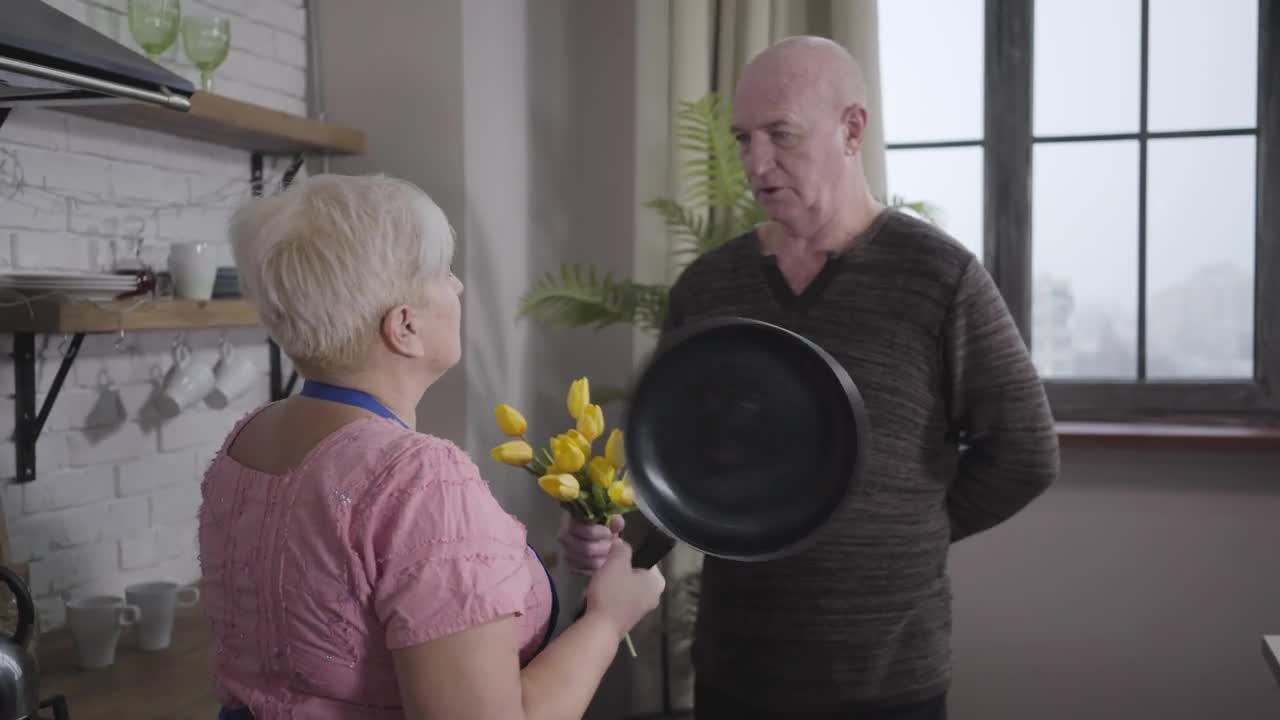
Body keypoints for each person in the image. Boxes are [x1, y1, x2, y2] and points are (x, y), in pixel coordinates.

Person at [558, 36, 1059, 719]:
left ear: (852, 130)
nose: (756, 162)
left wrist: (914, 529)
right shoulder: (709, 288)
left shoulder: (940, 279)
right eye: (743, 139)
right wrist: (615, 535)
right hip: (737, 668)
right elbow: (682, 468)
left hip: (886, 678)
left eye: (781, 134)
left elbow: (1026, 451)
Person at [199, 173, 664, 720]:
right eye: (443, 272)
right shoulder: (417, 475)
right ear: (404, 327)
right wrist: (608, 619)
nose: (459, 286)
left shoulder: (248, 437)